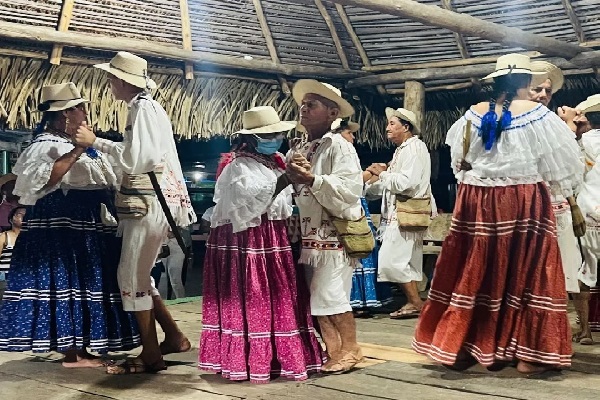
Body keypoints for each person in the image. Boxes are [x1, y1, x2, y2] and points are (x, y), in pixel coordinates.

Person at [412, 54, 583, 375]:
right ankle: (530, 353)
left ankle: (464, 345)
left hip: (475, 201)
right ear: (525, 82)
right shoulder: (538, 116)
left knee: (476, 269)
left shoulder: (470, 116)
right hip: (521, 199)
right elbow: (563, 169)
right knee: (529, 271)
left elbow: (460, 165)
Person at [0, 82, 140, 367]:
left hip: (87, 223)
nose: (87, 113)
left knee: (87, 283)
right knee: (67, 282)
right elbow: (45, 180)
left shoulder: (81, 147)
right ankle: (72, 354)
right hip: (61, 224)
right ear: (67, 113)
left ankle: (84, 348)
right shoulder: (44, 146)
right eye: (82, 108)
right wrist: (77, 148)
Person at [74, 52, 196, 374]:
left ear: (124, 81)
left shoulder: (143, 109)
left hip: (149, 203)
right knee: (138, 275)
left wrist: (96, 142)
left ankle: (151, 354)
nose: (110, 83)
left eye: (113, 78)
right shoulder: (146, 108)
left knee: (130, 276)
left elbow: (137, 160)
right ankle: (173, 337)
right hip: (156, 201)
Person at [199, 106, 323, 383]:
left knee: (276, 296)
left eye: (278, 133)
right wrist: (284, 180)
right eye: (270, 134)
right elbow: (248, 206)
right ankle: (249, 360)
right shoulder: (238, 166)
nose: (276, 138)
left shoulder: (275, 161)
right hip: (247, 240)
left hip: (271, 237)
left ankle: (277, 357)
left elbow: (284, 200)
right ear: (252, 138)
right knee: (256, 297)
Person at [286, 80, 363, 373]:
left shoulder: (339, 146)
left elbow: (350, 190)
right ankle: (335, 351)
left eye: (312, 104)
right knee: (317, 296)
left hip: (334, 233)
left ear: (332, 113)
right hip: (311, 234)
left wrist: (312, 180)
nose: (304, 109)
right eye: (303, 104)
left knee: (330, 294)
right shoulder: (306, 146)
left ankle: (352, 348)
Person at [366, 108, 431, 320]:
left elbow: (407, 183)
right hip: (400, 214)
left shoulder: (414, 148)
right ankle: (414, 303)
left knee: (391, 261)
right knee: (406, 262)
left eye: (393, 123)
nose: (387, 128)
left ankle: (415, 302)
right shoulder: (402, 150)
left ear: (406, 127)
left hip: (405, 213)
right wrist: (375, 181)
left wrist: (382, 173)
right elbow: (391, 184)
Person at [527, 62, 582, 294]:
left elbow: (563, 170)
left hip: (555, 207)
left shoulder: (553, 125)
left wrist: (574, 205)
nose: (543, 95)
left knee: (558, 273)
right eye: (536, 89)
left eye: (547, 91)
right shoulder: (508, 121)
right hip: (524, 207)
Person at [332, 119, 392, 316]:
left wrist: (376, 174)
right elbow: (345, 183)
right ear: (339, 134)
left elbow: (359, 185)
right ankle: (354, 300)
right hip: (347, 211)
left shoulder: (348, 154)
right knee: (353, 250)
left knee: (365, 248)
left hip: (359, 208)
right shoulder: (335, 153)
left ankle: (366, 300)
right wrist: (368, 173)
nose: (353, 137)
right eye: (350, 133)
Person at [0, 206, 25, 302]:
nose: (24, 217)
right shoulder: (4, 236)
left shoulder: (30, 240)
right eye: (21, 215)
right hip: (5, 280)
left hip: (23, 281)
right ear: (12, 219)